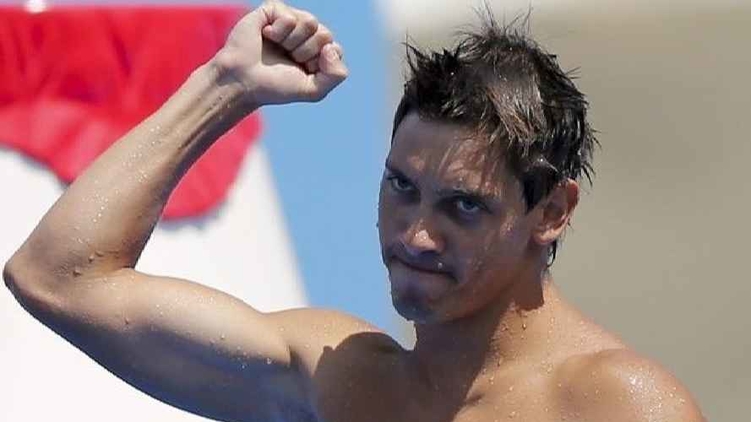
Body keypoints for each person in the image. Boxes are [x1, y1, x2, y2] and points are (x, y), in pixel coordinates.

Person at [4, 2, 705, 421]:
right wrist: (226, 86)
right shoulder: (342, 383)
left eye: (463, 206)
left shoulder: (614, 404)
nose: (416, 235)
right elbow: (57, 277)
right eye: (401, 186)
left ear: (551, 212)